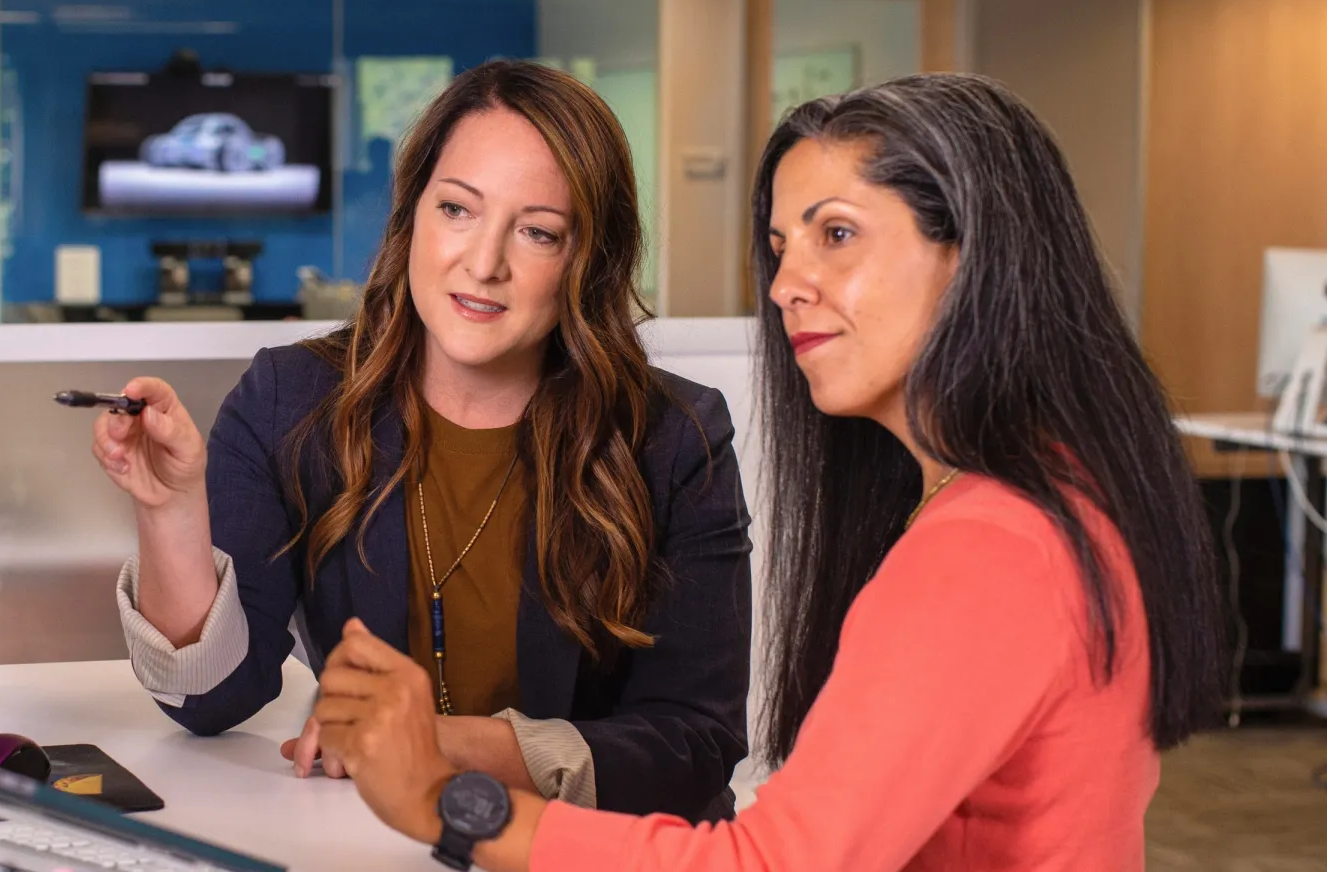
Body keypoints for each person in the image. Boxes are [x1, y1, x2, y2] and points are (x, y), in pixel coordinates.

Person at [311, 72, 1225, 871]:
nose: (786, 283)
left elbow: (776, 863)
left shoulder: (990, 547)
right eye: (783, 245)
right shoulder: (1056, 495)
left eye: (838, 234)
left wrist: (445, 804)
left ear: (973, 256)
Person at [89, 59, 753, 819]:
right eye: (457, 210)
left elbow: (694, 743)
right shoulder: (290, 400)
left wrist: (440, 743)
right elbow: (211, 700)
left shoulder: (674, 436)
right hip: (377, 846)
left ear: (588, 261)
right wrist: (171, 510)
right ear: (412, 217)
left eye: (537, 232)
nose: (484, 263)